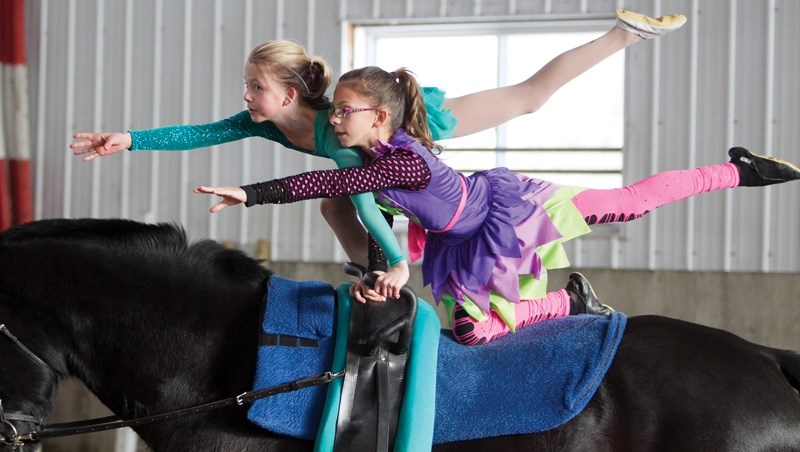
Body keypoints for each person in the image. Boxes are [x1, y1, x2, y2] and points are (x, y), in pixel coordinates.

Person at [69, 10, 687, 291]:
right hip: (387, 157)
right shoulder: (264, 121)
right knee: (334, 208)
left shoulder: (339, 138)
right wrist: (130, 138)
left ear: (287, 93)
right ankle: (374, 273)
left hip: (417, 131)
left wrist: (395, 262)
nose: (246, 97)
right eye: (246, 88)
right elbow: (200, 132)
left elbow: (364, 203)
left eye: (255, 88)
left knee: (527, 98)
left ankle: (621, 35)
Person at [194, 66, 800, 345]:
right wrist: (387, 266)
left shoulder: (401, 158)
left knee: (628, 205)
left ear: (379, 116)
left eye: (343, 112)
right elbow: (340, 200)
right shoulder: (367, 162)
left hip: (507, 210)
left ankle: (735, 169)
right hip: (460, 245)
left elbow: (311, 189)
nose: (334, 121)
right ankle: (572, 301)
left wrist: (248, 193)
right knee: (471, 333)